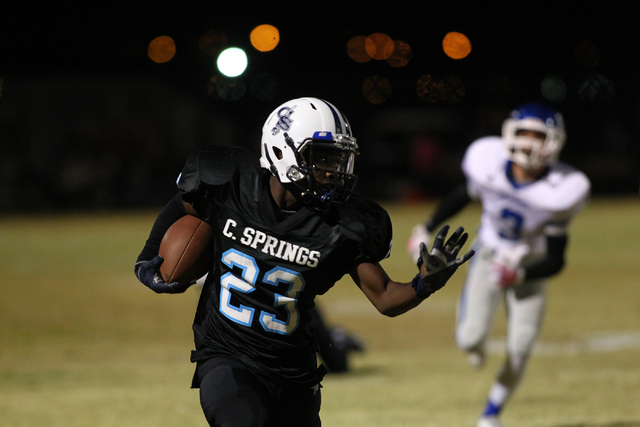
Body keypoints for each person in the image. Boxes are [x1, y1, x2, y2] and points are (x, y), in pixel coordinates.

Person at [134, 97, 474, 427]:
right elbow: (185, 205)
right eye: (322, 158)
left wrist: (423, 284)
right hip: (226, 355)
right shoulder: (231, 182)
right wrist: (149, 257)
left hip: (294, 373)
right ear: (282, 150)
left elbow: (384, 297)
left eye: (339, 159)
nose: (333, 171)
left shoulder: (344, 224)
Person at [407, 102, 590, 427]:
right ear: (509, 134)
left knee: (521, 346)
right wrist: (427, 224)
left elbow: (557, 260)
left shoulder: (565, 189)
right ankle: (475, 348)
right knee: (468, 338)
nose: (530, 142)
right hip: (489, 253)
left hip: (529, 264)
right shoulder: (486, 161)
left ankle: (491, 414)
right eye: (525, 133)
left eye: (539, 135)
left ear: (554, 141)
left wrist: (520, 273)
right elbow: (465, 194)